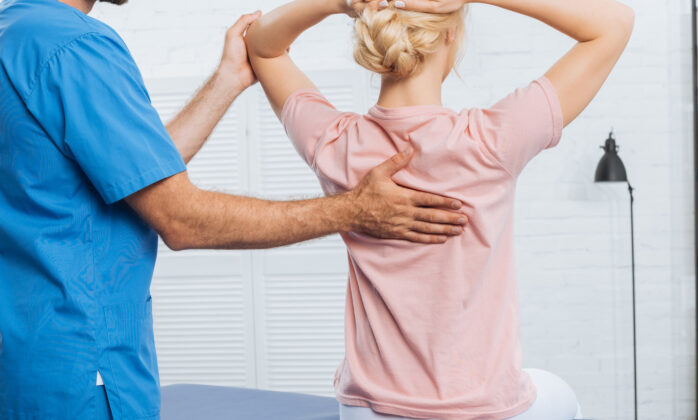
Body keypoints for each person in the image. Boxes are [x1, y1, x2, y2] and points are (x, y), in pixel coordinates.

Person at [0, 0, 471, 418]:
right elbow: (180, 219)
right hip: (83, 369)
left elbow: (134, 176)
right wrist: (354, 210)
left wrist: (227, 81)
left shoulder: (17, 33)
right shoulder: (76, 47)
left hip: (25, 361)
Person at [246, 0, 633, 418]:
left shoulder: (338, 144)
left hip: (366, 410)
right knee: (561, 394)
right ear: (450, 35)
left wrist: (339, 2)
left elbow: (262, 46)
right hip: (478, 410)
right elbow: (615, 23)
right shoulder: (490, 140)